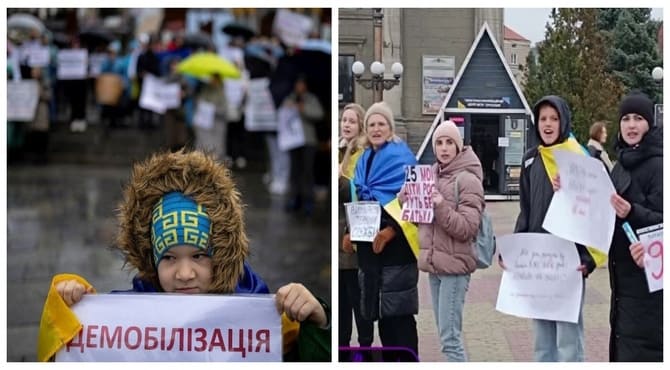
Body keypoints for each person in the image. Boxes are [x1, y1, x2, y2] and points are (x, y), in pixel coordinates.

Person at [37, 150, 330, 362]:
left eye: (199, 256)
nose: (185, 273)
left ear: (221, 253)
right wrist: (74, 309)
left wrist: (318, 322)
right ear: (152, 260)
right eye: (169, 258)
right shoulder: (126, 317)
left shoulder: (268, 318)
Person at [510, 95, 596, 362]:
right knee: (542, 342)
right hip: (538, 263)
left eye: (554, 119)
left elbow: (595, 214)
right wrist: (513, 251)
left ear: (564, 122)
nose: (547, 124)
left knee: (569, 343)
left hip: (569, 262)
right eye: (543, 119)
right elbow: (526, 211)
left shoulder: (579, 158)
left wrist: (588, 259)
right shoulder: (529, 160)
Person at [400, 120, 484, 361]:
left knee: (450, 340)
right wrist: (408, 198)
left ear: (458, 146)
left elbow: (467, 228)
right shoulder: (430, 175)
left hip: (455, 268)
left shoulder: (467, 179)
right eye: (439, 142)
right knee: (444, 335)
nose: (444, 148)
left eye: (449, 142)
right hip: (435, 267)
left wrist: (440, 206)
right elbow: (420, 222)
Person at [342, 102, 419, 361]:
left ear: (390, 127)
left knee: (400, 320)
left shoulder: (403, 158)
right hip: (370, 254)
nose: (376, 129)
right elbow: (359, 200)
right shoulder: (363, 159)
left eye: (381, 124)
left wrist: (390, 232)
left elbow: (413, 205)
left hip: (396, 252)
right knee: (383, 321)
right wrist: (349, 231)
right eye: (372, 124)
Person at [608, 92, 662, 362]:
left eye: (638, 119)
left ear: (649, 125)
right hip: (621, 286)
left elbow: (662, 220)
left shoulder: (659, 166)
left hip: (651, 291)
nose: (631, 125)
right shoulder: (619, 166)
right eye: (626, 119)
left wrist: (632, 211)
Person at [337, 103, 374, 361]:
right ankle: (342, 352)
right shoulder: (338, 151)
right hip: (336, 237)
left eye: (351, 120)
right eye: (343, 119)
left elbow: (360, 193)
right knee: (340, 306)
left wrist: (341, 178)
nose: (346, 124)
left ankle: (365, 350)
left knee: (357, 298)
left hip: (353, 238)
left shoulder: (362, 155)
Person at [282, 76, 324, 215]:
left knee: (307, 171)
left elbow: (319, 114)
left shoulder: (311, 99)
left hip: (307, 141)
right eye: (297, 84)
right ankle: (294, 198)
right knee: (294, 171)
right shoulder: (289, 98)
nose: (299, 87)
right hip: (292, 141)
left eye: (302, 84)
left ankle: (308, 200)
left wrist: (303, 109)